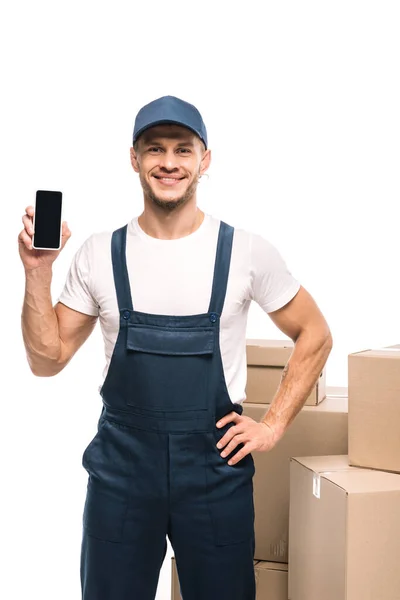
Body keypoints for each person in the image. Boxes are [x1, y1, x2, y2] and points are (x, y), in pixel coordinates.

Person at [19, 95, 332, 600]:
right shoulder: (100, 254)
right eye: (155, 149)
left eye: (182, 150)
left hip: (213, 468)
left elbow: (315, 334)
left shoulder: (246, 251)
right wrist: (38, 273)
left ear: (203, 160)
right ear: (134, 158)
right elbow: (45, 360)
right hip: (122, 470)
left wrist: (272, 425)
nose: (169, 162)